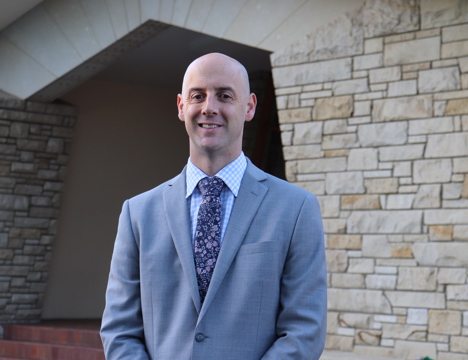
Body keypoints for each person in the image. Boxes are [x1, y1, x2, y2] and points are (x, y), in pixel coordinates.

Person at [100, 52, 326, 359]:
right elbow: (120, 329)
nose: (209, 108)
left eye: (224, 95)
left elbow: (304, 331)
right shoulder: (137, 213)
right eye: (198, 96)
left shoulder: (297, 209)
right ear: (182, 106)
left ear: (249, 107)